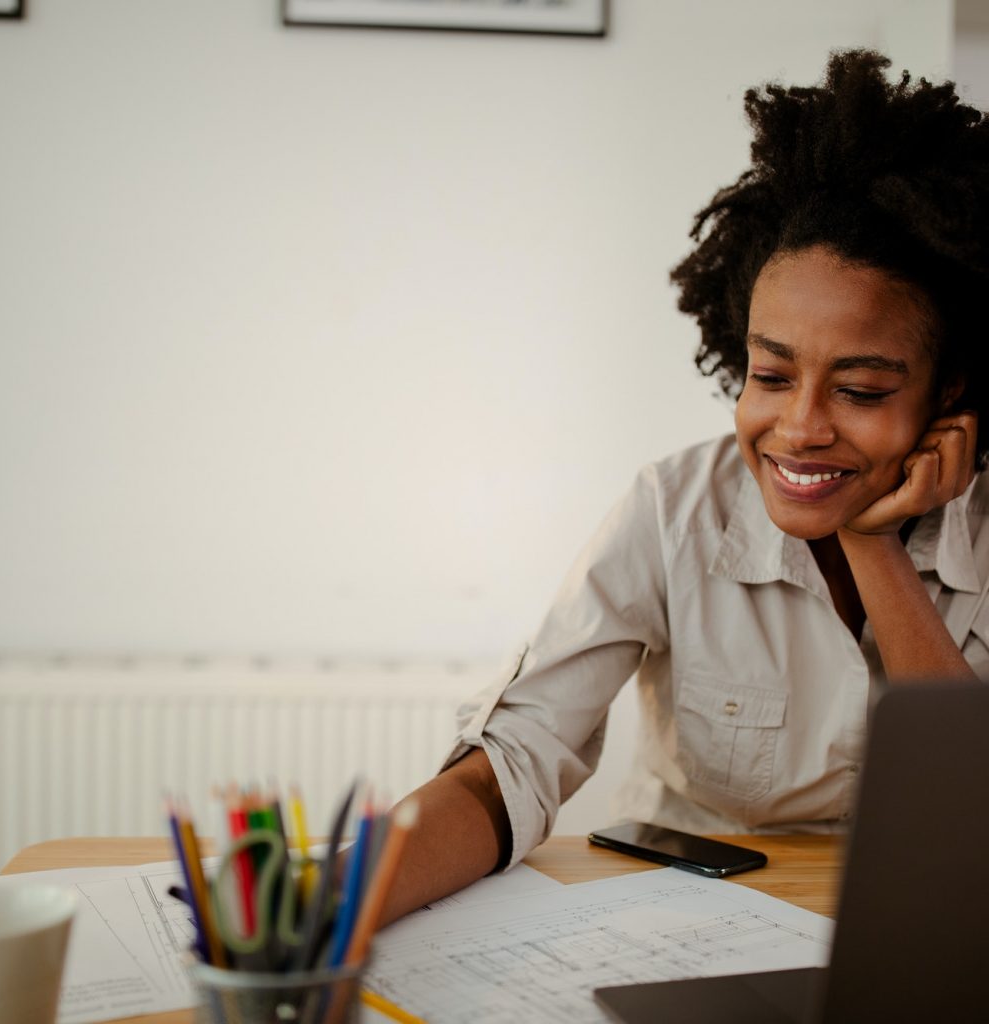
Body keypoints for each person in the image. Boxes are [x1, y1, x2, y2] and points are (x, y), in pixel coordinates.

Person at [381, 50, 989, 924]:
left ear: (950, 391)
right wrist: (341, 900)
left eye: (859, 391)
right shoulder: (675, 508)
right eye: (771, 376)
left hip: (916, 927)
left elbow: (969, 816)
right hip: (690, 923)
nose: (800, 427)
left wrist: (872, 545)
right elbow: (512, 761)